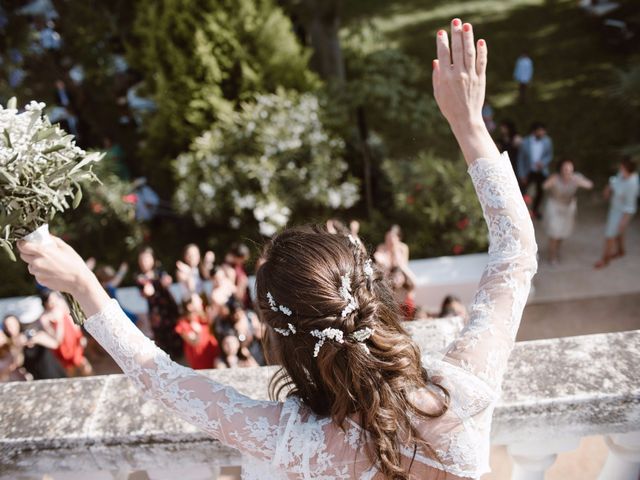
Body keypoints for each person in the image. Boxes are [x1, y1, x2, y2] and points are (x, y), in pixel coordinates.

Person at [19, 20, 538, 479]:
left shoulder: (293, 440)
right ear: (370, 289)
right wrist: (468, 125)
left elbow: (158, 377)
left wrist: (85, 285)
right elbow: (515, 251)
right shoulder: (461, 396)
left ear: (278, 336)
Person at [543, 159, 594, 264]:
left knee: (562, 232)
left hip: (568, 208)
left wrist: (579, 181)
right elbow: (544, 186)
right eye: (566, 168)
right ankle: (552, 256)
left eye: (570, 169)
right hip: (554, 207)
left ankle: (557, 250)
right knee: (554, 232)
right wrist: (550, 182)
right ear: (561, 169)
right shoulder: (555, 177)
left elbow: (590, 185)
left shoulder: (576, 177)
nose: (568, 171)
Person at [136, 247, 183, 359]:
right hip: (155, 312)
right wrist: (146, 291)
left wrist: (167, 280)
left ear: (152, 259)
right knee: (161, 336)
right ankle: (166, 359)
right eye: (142, 260)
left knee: (174, 331)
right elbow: (144, 292)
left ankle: (178, 356)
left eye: (147, 259)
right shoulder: (140, 278)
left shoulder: (160, 272)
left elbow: (167, 280)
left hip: (169, 308)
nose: (145, 262)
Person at [595, 157, 639, 269]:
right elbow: (615, 180)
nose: (620, 170)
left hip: (622, 212)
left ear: (629, 170)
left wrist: (623, 221)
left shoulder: (632, 184)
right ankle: (621, 251)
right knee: (619, 233)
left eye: (622, 168)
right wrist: (608, 188)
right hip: (614, 208)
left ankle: (605, 259)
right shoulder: (622, 174)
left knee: (610, 235)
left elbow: (629, 207)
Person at [40, 291, 93, 377]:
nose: (54, 301)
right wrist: (59, 321)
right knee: (69, 369)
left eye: (55, 298)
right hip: (63, 347)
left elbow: (73, 323)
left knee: (83, 363)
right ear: (46, 302)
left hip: (72, 340)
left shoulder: (62, 308)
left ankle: (93, 380)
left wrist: (80, 336)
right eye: (51, 300)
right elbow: (55, 338)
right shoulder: (44, 318)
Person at [518, 122, 554, 218]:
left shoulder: (547, 141)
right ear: (535, 131)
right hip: (528, 171)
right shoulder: (525, 142)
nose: (543, 132)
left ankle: (535, 210)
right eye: (541, 130)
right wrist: (522, 174)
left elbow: (549, 155)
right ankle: (522, 211)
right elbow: (521, 159)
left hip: (541, 171)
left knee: (540, 192)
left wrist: (543, 163)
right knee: (523, 191)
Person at [175, 294, 220, 370]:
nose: (201, 301)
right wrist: (198, 332)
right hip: (200, 358)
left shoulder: (204, 316)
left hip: (213, 352)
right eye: (197, 300)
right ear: (190, 306)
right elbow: (194, 342)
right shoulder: (183, 324)